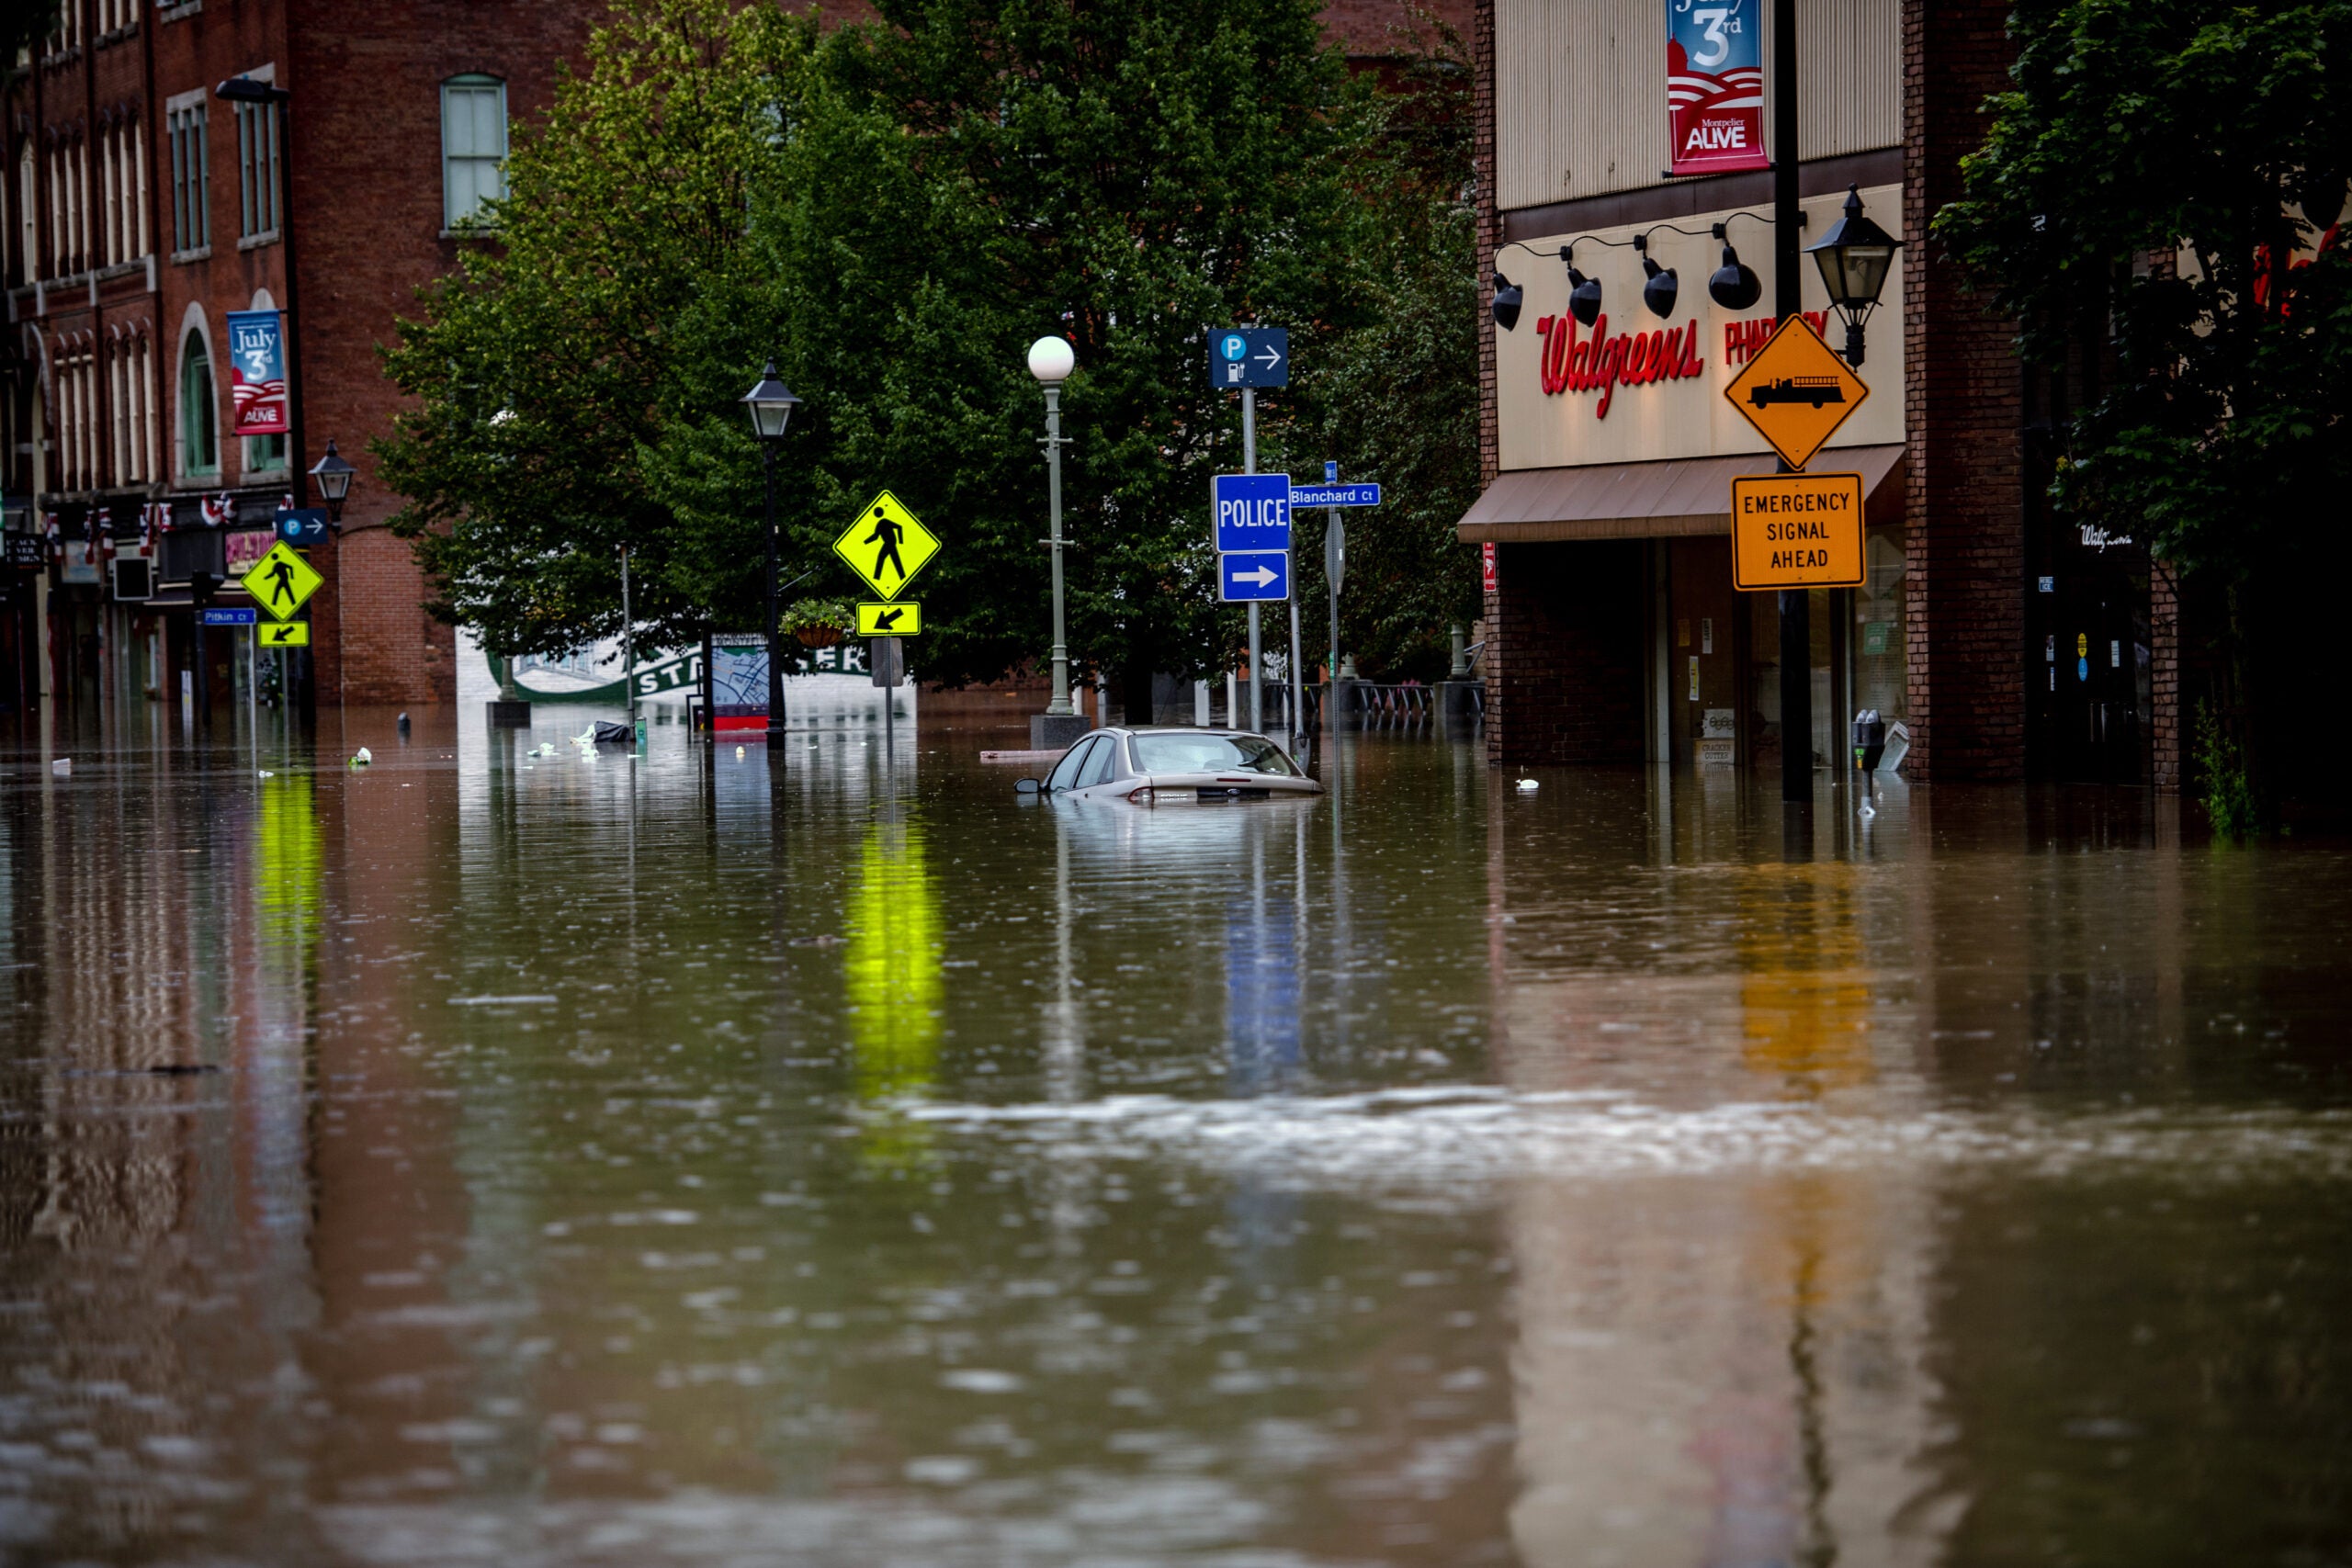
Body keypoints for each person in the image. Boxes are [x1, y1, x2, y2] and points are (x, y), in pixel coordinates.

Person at [862, 505, 905, 587]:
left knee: (882, 558)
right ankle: (902, 576)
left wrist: (901, 541)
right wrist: (865, 542)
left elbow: (899, 527)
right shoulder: (881, 523)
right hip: (890, 543)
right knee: (895, 560)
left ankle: (877, 578)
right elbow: (875, 536)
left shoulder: (883, 522)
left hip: (890, 543)